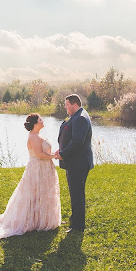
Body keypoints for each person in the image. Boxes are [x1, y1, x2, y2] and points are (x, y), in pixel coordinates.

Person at [54, 94, 94, 233]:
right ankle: (74, 220)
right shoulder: (76, 116)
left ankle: (78, 227)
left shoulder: (81, 118)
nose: (65, 107)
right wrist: (62, 149)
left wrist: (63, 154)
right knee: (75, 193)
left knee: (77, 195)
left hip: (78, 163)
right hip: (75, 162)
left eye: (67, 104)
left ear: (74, 104)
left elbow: (77, 142)